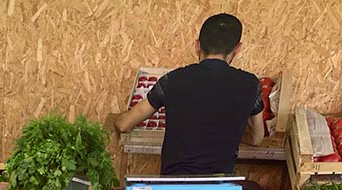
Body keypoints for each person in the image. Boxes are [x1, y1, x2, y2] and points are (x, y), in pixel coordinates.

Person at [113, 13, 265, 175]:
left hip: (172, 187)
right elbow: (256, 138)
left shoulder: (172, 80)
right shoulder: (250, 84)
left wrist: (117, 119)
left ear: (197, 46)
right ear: (237, 49)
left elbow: (124, 124)